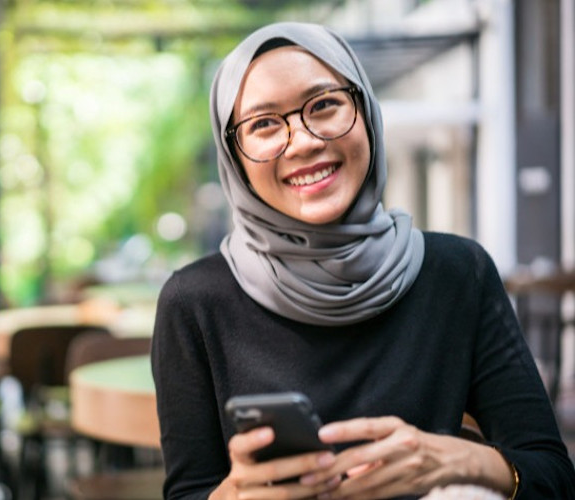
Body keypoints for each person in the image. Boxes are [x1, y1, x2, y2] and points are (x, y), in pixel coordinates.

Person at [151, 22, 575, 500]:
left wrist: (457, 460)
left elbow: (554, 477)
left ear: (366, 111)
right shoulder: (194, 302)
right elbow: (189, 491)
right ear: (235, 158)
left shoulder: (459, 273)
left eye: (325, 104)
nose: (304, 141)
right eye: (264, 123)